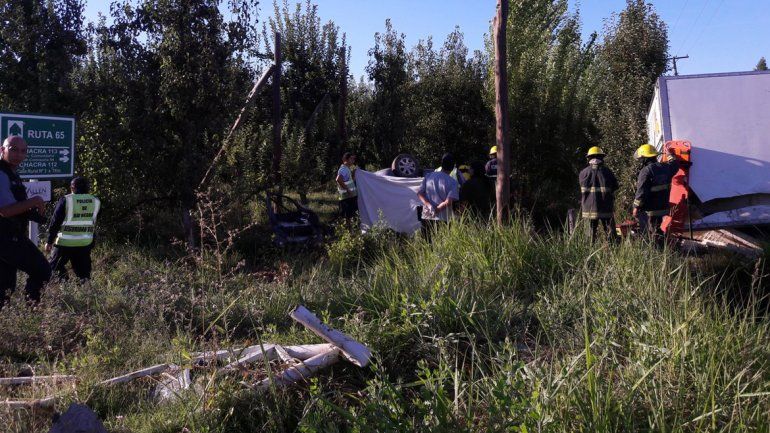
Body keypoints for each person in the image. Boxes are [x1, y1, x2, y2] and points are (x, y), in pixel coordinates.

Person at [0, 136, 50, 305]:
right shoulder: (1, 173)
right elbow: (5, 211)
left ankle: (16, 324)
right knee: (42, 270)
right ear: (2, 149)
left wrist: (28, 212)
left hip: (9, 236)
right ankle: (33, 310)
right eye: (13, 149)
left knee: (5, 288)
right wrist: (35, 200)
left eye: (23, 151)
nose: (18, 154)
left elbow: (13, 206)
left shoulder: (10, 172)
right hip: (7, 239)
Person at [46, 177, 101, 282]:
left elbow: (55, 222)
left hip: (64, 243)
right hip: (85, 243)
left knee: (54, 266)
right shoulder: (96, 201)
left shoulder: (66, 200)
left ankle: (65, 284)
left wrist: (49, 241)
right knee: (84, 274)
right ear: (88, 188)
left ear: (72, 187)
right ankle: (84, 293)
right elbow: (93, 220)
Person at [632, 144, 679, 236]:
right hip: (662, 207)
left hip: (650, 209)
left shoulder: (645, 171)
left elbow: (641, 191)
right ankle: (661, 243)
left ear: (645, 158)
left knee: (649, 232)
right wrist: (670, 154)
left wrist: (636, 207)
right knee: (657, 228)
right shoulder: (666, 167)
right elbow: (675, 164)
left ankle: (655, 247)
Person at [579, 146, 618, 243]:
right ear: (602, 158)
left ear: (588, 158)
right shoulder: (608, 172)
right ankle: (613, 252)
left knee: (589, 237)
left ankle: (589, 255)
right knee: (610, 235)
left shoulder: (583, 173)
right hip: (606, 208)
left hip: (588, 210)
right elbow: (615, 187)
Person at [418, 153, 460, 238]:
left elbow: (419, 193)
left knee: (427, 244)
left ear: (442, 164)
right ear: (452, 167)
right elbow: (448, 201)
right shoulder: (453, 182)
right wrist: (437, 210)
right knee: (441, 244)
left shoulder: (428, 176)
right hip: (443, 218)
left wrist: (429, 206)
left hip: (427, 216)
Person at [336, 152, 358, 226]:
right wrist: (348, 190)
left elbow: (349, 180)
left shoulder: (347, 169)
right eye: (351, 159)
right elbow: (338, 179)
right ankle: (348, 230)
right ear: (346, 159)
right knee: (347, 215)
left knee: (351, 213)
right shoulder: (343, 169)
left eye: (354, 159)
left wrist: (354, 173)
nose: (353, 160)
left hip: (350, 196)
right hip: (347, 196)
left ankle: (350, 229)